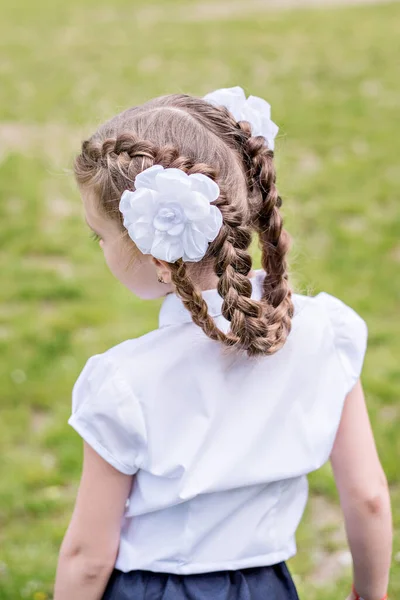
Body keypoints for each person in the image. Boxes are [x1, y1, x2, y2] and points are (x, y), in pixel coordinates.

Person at [54, 87, 392, 600]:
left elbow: (86, 556)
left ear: (157, 256)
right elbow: (368, 497)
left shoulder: (123, 383)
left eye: (99, 236)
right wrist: (370, 593)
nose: (99, 247)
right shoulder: (328, 335)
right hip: (268, 588)